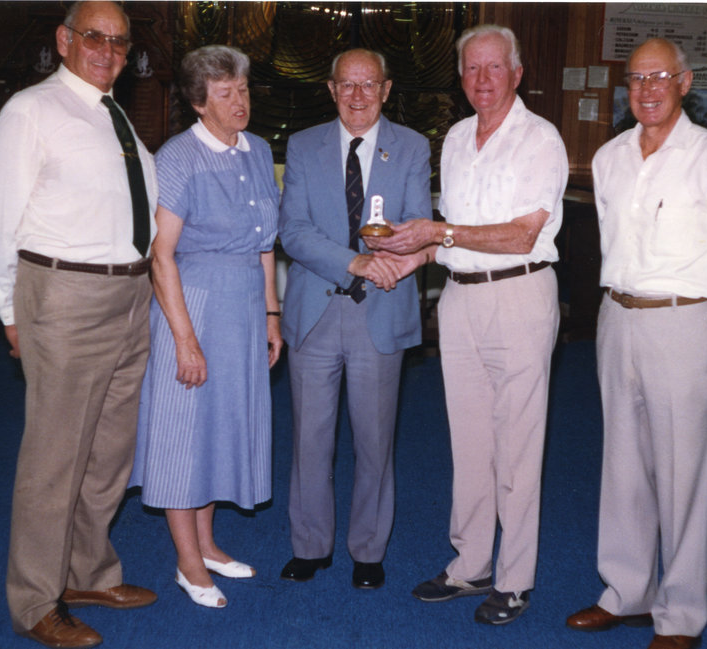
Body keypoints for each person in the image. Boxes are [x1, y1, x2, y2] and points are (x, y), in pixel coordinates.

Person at [564, 38, 707, 649]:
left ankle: (679, 616)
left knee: (682, 474)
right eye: (637, 78)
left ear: (684, 82)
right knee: (622, 465)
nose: (647, 89)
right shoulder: (610, 158)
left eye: (659, 77)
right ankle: (626, 593)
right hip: (617, 318)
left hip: (684, 322)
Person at [365, 24, 568, 625]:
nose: (483, 79)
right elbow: (451, 236)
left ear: (517, 73)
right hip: (459, 299)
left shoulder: (541, 139)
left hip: (520, 296)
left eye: (494, 67)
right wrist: (410, 255)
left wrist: (437, 232)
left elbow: (521, 235)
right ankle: (471, 564)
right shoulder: (455, 138)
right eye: (472, 69)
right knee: (471, 441)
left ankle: (514, 579)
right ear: (460, 78)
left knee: (518, 446)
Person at [0, 2, 158, 647]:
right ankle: (35, 600)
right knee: (55, 459)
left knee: (108, 455)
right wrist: (10, 311)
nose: (108, 50)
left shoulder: (114, 114)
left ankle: (86, 575)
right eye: (94, 37)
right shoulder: (32, 110)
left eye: (120, 41)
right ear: (64, 39)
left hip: (129, 297)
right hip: (66, 298)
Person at [128, 45, 282, 609]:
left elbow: (265, 244)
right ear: (198, 102)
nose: (239, 101)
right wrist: (185, 341)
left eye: (243, 89)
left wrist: (271, 313)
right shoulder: (178, 157)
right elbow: (161, 255)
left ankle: (209, 544)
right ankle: (187, 562)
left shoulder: (258, 150)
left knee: (220, 427)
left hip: (243, 308)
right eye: (224, 93)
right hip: (190, 306)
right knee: (183, 432)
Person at [276, 48, 430, 590]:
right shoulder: (303, 145)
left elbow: (419, 223)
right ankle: (309, 545)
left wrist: (389, 253)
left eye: (369, 85)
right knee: (310, 439)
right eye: (347, 84)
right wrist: (354, 262)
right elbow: (293, 231)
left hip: (380, 310)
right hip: (315, 311)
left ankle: (368, 549)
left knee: (375, 439)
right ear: (331, 89)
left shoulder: (412, 147)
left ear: (386, 90)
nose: (358, 95)